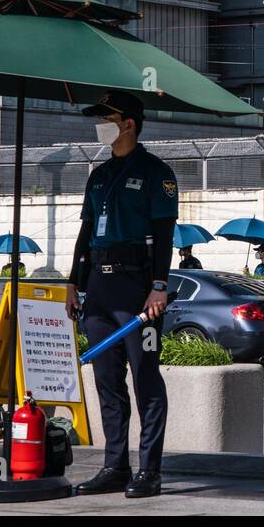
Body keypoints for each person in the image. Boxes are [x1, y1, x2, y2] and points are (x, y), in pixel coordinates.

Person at [66, 91, 178, 498]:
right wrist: (73, 283)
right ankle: (115, 465)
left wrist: (159, 286)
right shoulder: (97, 175)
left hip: (137, 291)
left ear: (128, 123)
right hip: (98, 287)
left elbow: (164, 236)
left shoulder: (155, 173)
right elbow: (84, 233)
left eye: (107, 117)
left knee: (145, 379)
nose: (100, 124)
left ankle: (149, 471)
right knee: (106, 381)